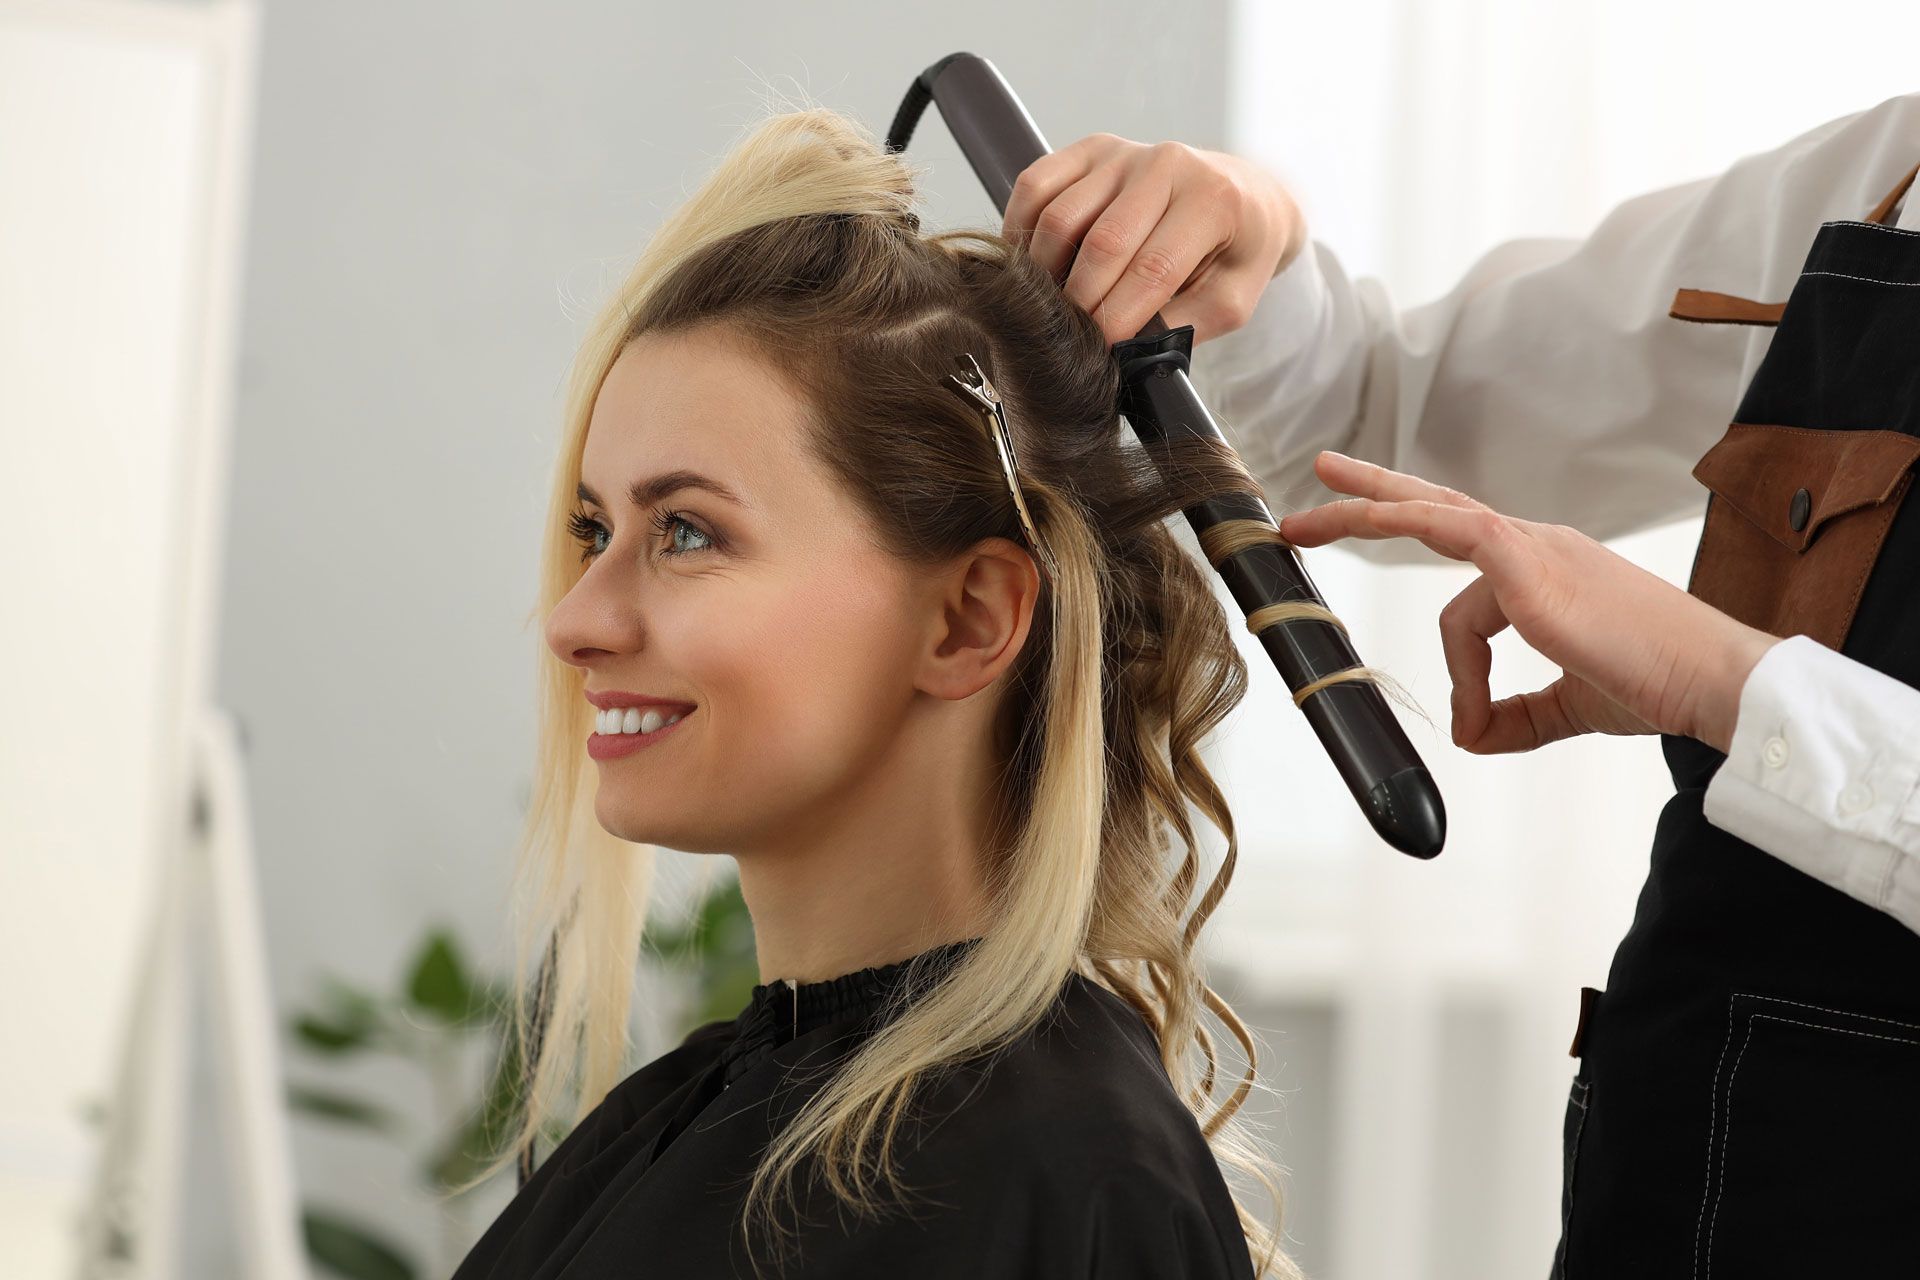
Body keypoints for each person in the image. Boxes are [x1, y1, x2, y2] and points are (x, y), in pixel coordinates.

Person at [1002, 93, 1920, 1275]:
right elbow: (1389, 408)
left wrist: (1728, 682)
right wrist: (1256, 233)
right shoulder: (1885, 182)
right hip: (1684, 1159)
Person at [446, 105, 1354, 1280]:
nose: (576, 619)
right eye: (594, 527)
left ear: (968, 617)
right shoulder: (678, 1123)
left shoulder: (1064, 1173)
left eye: (685, 530)